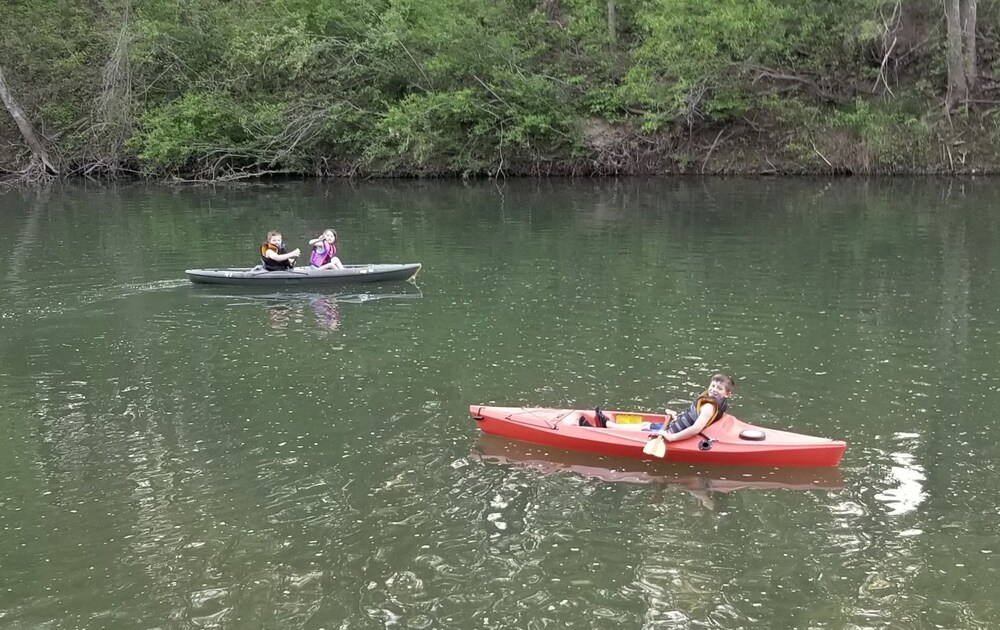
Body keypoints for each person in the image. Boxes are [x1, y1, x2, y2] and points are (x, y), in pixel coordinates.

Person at [604, 373, 734, 442]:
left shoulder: (709, 407)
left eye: (719, 388)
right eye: (712, 386)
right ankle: (610, 426)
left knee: (643, 430)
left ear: (727, 394)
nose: (713, 390)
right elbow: (692, 418)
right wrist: (676, 417)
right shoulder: (714, 403)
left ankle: (608, 428)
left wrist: (671, 438)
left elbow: (695, 429)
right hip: (674, 426)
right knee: (645, 425)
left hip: (673, 433)